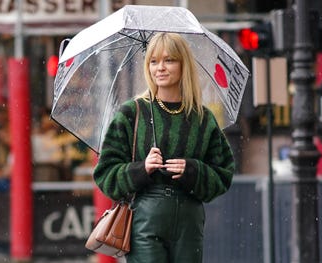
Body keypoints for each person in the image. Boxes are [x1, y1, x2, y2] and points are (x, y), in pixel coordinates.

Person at [93, 32, 235, 263]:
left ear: (183, 65)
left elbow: (223, 174)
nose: (160, 67)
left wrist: (193, 170)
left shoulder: (202, 118)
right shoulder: (132, 113)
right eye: (153, 61)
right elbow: (105, 175)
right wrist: (142, 169)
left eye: (169, 60)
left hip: (189, 221)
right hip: (146, 219)